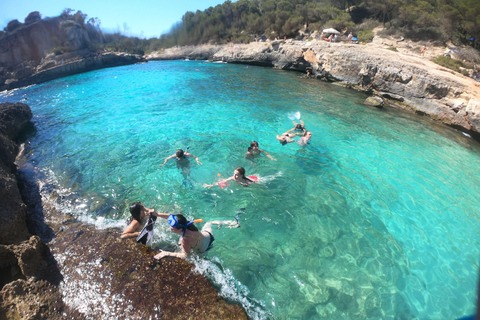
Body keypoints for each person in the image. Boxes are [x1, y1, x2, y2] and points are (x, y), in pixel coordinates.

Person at [153, 214, 240, 259]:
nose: (170, 228)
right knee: (209, 223)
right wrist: (157, 214)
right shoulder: (187, 224)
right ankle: (232, 223)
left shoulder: (184, 239)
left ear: (180, 229)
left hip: (204, 249)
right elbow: (169, 216)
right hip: (209, 235)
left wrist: (166, 253)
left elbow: (185, 255)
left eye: (173, 227)